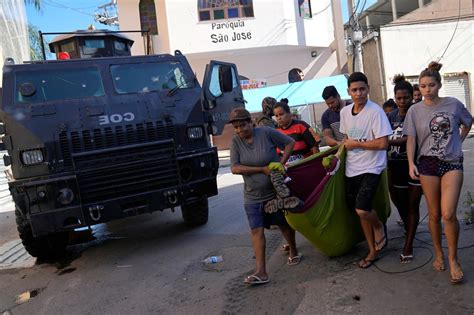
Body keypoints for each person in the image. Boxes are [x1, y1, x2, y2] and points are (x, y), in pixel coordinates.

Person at [404, 61, 472, 283]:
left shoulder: (453, 104)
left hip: (452, 162)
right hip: (427, 164)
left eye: (431, 85)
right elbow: (411, 138)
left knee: (448, 213)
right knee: (433, 214)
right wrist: (411, 163)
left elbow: (468, 122)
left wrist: (458, 141)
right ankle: (438, 252)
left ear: (439, 85)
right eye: (422, 86)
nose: (427, 89)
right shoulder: (414, 110)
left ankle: (453, 259)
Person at [229, 108, 301, 285]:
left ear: (250, 122)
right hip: (252, 195)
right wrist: (261, 169)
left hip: (274, 192)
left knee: (283, 225)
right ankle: (261, 271)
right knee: (256, 230)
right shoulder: (235, 141)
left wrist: (280, 165)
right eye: (236, 127)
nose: (240, 130)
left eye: (243, 126)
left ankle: (293, 250)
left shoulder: (266, 133)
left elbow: (290, 143)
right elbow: (234, 168)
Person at [340, 72, 393, 269]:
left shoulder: (375, 112)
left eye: (362, 89)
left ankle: (378, 225)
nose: (359, 93)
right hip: (351, 168)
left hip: (372, 167)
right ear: (349, 92)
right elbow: (347, 141)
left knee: (363, 209)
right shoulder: (344, 113)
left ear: (368, 89)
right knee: (359, 211)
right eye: (354, 90)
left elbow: (383, 143)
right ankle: (371, 251)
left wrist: (357, 145)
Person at [387, 74, 423, 263]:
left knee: (412, 205)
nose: (402, 101)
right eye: (399, 98)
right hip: (395, 166)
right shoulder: (390, 116)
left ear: (412, 96)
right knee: (400, 204)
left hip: (416, 165)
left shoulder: (418, 112)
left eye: (406, 97)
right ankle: (410, 230)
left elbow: (412, 138)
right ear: (395, 98)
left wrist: (390, 141)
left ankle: (408, 247)